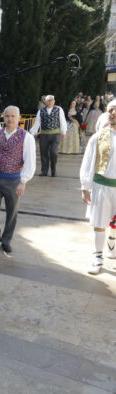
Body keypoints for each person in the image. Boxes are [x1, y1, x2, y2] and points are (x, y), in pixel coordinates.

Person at [0, 106, 36, 254]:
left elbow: (30, 161)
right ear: (3, 118)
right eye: (7, 116)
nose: (10, 119)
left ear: (19, 118)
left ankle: (6, 240)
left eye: (13, 116)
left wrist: (23, 181)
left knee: (12, 212)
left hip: (14, 180)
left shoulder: (26, 137)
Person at [79, 100, 116, 274]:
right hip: (101, 185)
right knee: (99, 223)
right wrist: (85, 186)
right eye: (111, 110)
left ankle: (112, 244)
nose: (113, 112)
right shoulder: (98, 136)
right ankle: (98, 258)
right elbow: (88, 161)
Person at [30, 94, 67, 177]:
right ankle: (44, 171)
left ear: (54, 101)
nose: (50, 102)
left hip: (55, 134)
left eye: (51, 100)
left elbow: (62, 121)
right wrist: (32, 133)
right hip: (44, 135)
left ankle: (53, 170)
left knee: (54, 152)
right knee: (44, 153)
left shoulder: (59, 109)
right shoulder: (41, 111)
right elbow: (37, 123)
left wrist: (63, 132)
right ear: (45, 101)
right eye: (48, 100)